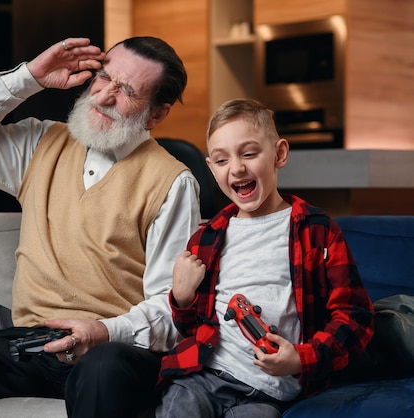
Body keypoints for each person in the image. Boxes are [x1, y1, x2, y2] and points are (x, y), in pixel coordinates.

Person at [0, 36, 203, 418]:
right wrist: (30, 76)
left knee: (103, 367)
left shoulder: (172, 182)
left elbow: (170, 305)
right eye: (104, 77)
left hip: (110, 351)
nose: (104, 96)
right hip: (29, 343)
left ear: (157, 114)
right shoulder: (40, 143)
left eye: (126, 90)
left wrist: (105, 333)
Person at [155, 98, 374, 418]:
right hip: (203, 377)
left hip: (268, 393)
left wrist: (302, 358)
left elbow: (355, 318)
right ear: (211, 168)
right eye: (222, 159)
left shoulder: (316, 230)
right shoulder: (206, 238)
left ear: (279, 154)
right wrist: (182, 298)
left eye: (249, 153)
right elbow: (191, 328)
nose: (237, 168)